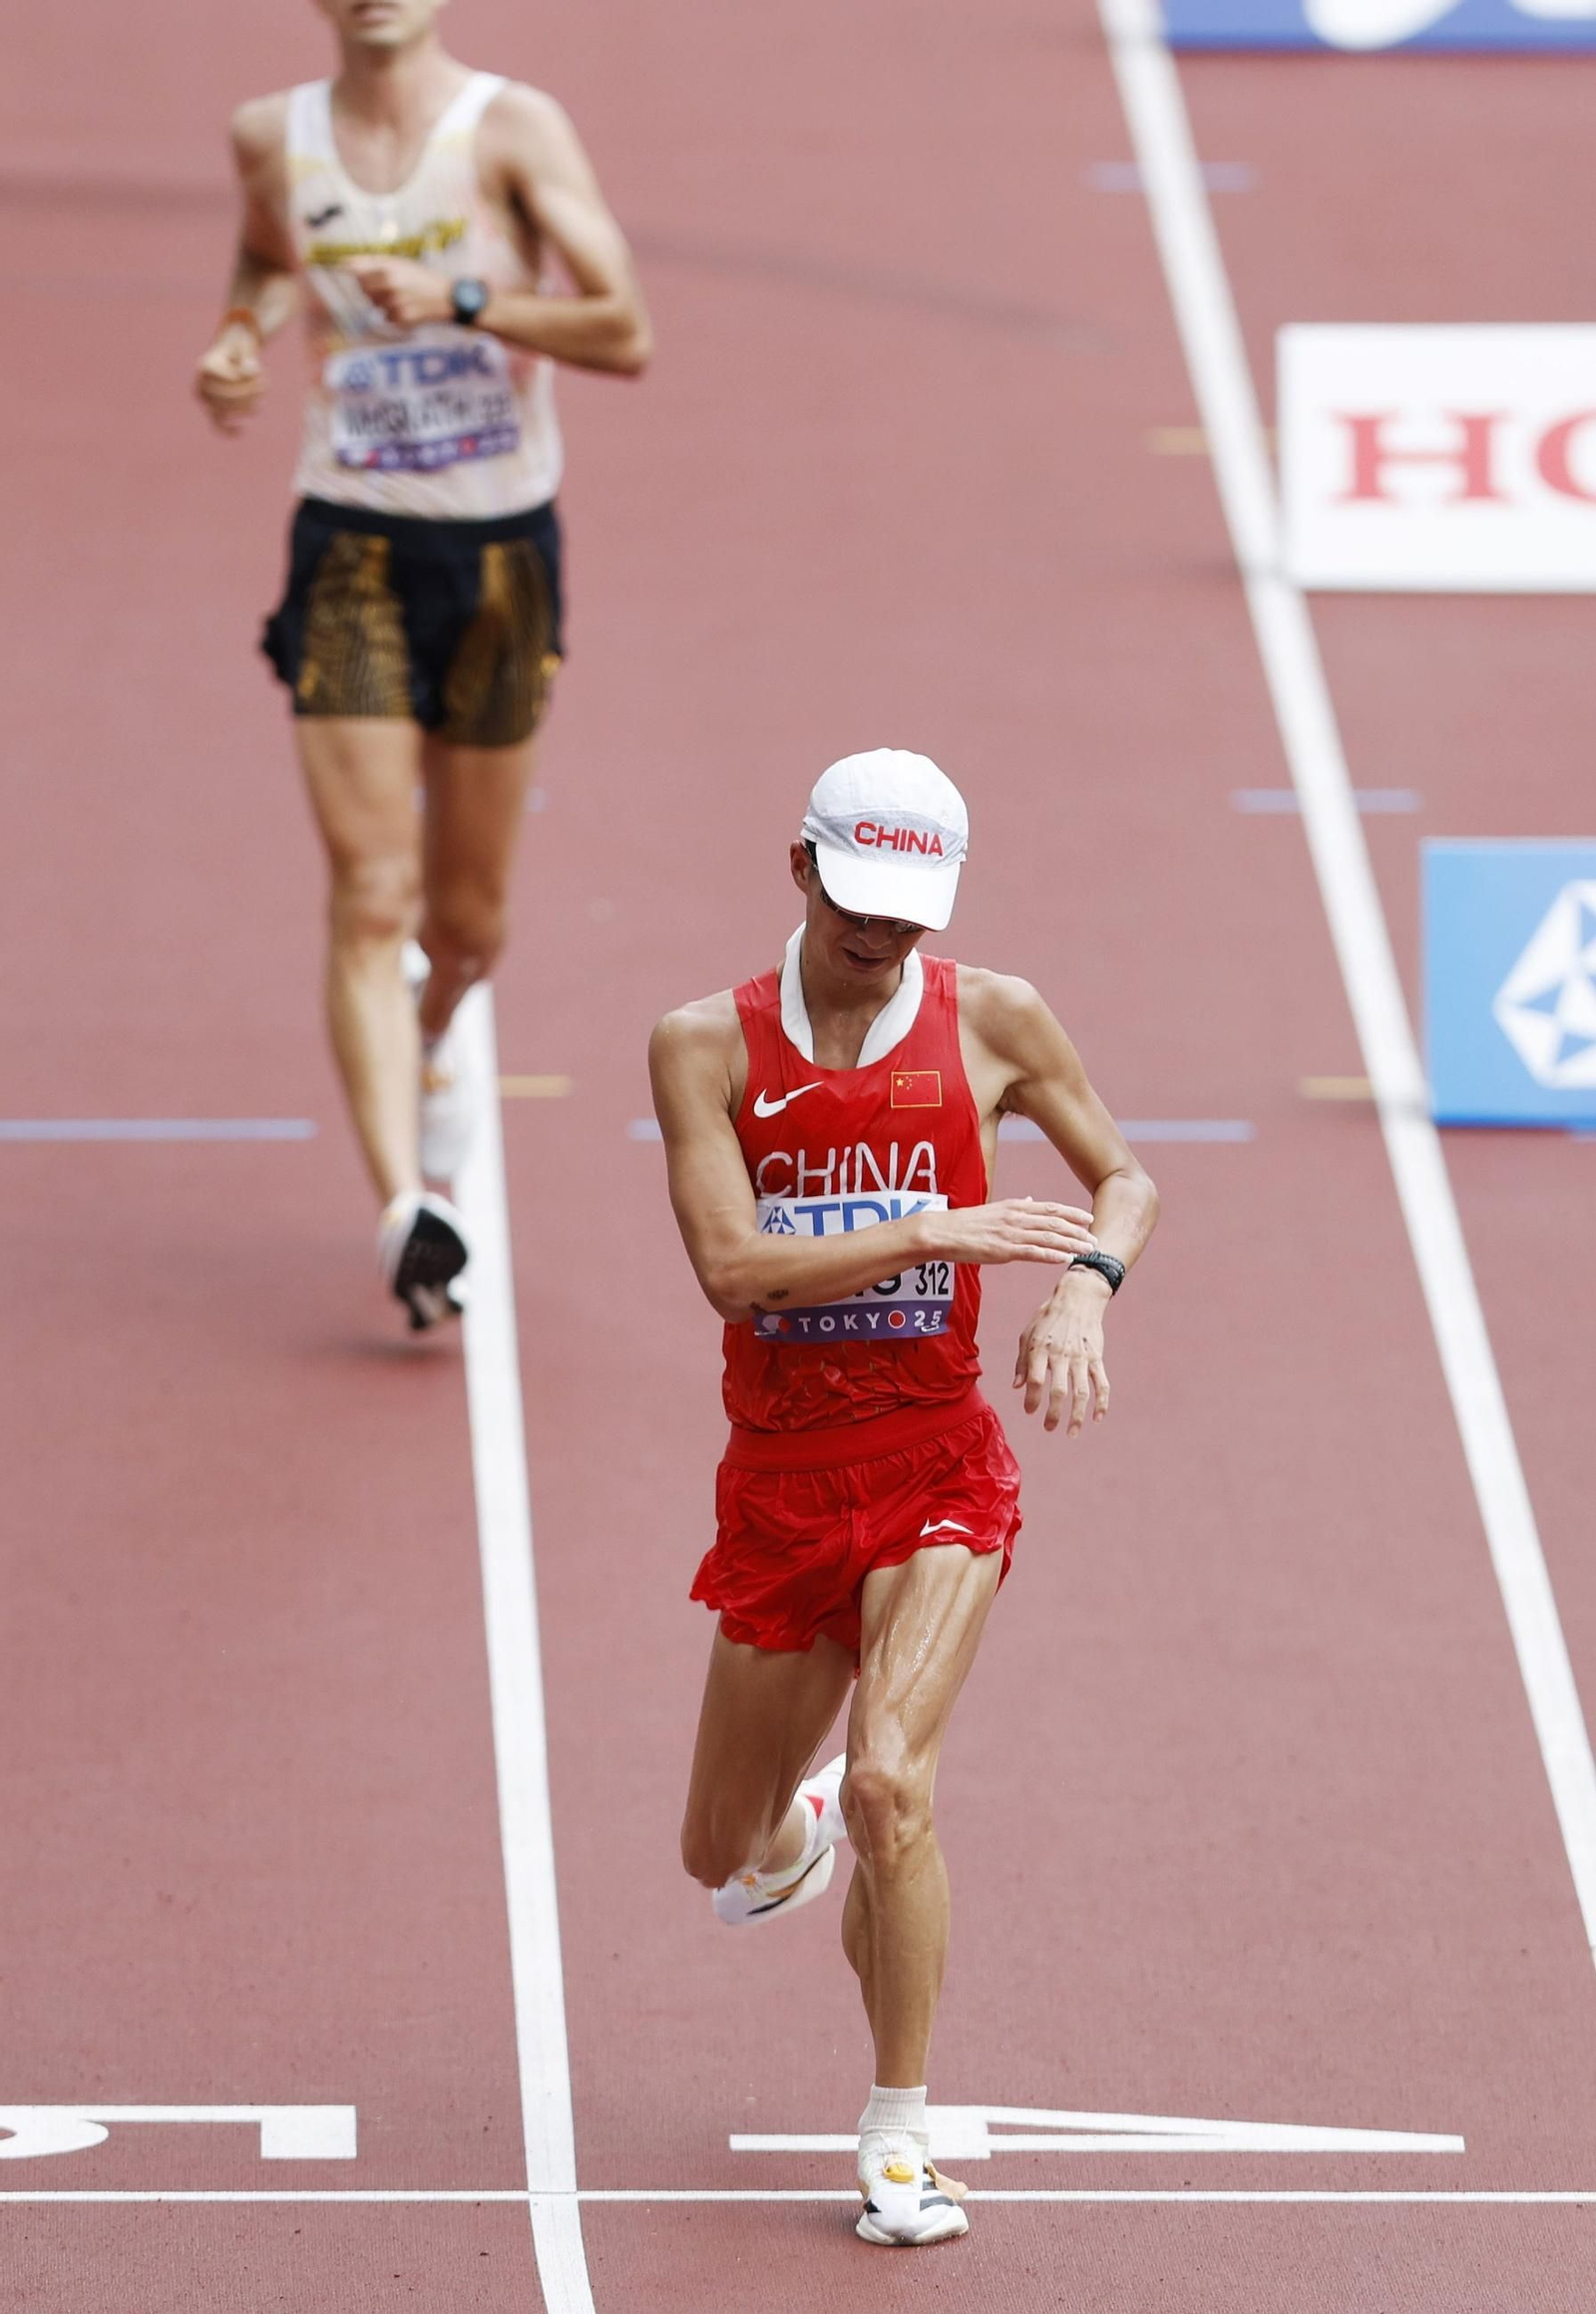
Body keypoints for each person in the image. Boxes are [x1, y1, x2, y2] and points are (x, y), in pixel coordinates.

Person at [649, 749, 1159, 2247]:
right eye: (857, 901)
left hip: (939, 1462)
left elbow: (1122, 1176)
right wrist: (930, 1223)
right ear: (798, 870)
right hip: (781, 1487)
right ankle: (785, 1835)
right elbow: (732, 1272)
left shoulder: (993, 1016)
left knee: (893, 1786)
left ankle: (897, 2137)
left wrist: (1084, 1296)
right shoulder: (703, 1046)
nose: (882, 936)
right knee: (716, 1855)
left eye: (910, 912)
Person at [195, 0, 650, 1329]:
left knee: (467, 923)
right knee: (369, 885)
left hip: (502, 554)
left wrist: (465, 299)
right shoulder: (270, 137)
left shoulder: (510, 130)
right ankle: (409, 1209)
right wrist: (241, 332)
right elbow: (267, 254)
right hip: (349, 546)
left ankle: (434, 1033)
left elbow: (624, 330)